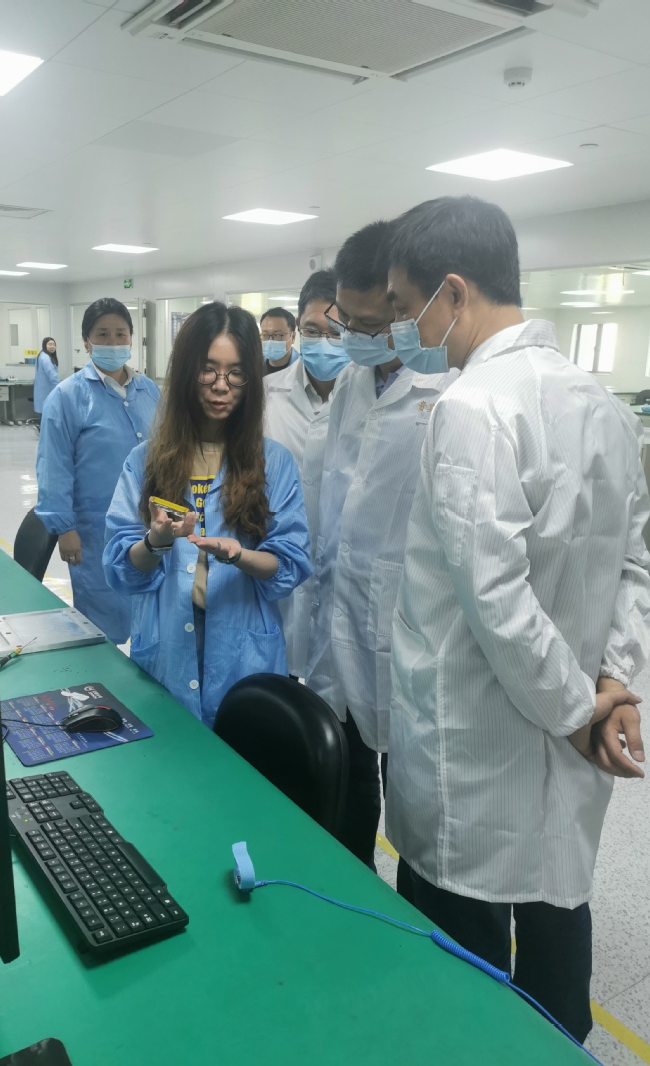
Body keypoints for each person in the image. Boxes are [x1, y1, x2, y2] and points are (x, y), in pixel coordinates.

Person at [384, 195, 650, 1043]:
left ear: (452, 293)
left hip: (475, 750)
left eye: (404, 306)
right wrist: (612, 684)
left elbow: (494, 598)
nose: (401, 328)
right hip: (567, 737)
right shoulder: (603, 406)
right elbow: (635, 565)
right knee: (554, 927)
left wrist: (579, 711)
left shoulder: (471, 409)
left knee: (460, 988)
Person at [303, 223, 451, 874]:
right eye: (348, 322)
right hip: (341, 612)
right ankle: (350, 887)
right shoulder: (353, 383)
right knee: (349, 781)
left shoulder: (449, 387)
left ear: (405, 309)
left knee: (416, 803)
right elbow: (337, 491)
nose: (356, 339)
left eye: (371, 326)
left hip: (413, 629)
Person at [103, 302, 312, 728]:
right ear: (186, 372)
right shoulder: (145, 461)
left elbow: (289, 564)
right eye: (208, 370)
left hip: (243, 648)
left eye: (236, 373)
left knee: (243, 755)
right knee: (170, 754)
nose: (221, 386)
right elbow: (121, 568)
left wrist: (239, 555)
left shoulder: (274, 463)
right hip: (166, 641)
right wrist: (156, 542)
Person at [35, 299, 159, 643]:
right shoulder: (67, 397)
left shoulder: (150, 391)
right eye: (102, 334)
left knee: (151, 613)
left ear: (131, 337)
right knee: (102, 619)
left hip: (151, 524)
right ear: (87, 342)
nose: (113, 342)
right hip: (95, 531)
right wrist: (64, 528)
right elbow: (54, 466)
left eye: (120, 333)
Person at [263, 269, 348, 678]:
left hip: (343, 578)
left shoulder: (372, 398)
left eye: (336, 332)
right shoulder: (266, 395)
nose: (324, 342)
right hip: (273, 567)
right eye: (313, 330)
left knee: (334, 694)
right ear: (298, 328)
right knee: (275, 687)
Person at [260, 307, 297, 376]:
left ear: (293, 337)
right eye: (265, 335)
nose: (270, 341)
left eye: (277, 335)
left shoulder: (303, 369)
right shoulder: (255, 366)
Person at [33, 337, 59, 423]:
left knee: (45, 411)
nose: (52, 346)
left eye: (54, 345)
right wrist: (58, 388)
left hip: (44, 389)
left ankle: (43, 428)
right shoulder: (45, 358)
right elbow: (52, 376)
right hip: (48, 389)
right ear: (44, 345)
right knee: (48, 411)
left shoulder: (41, 355)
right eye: (50, 344)